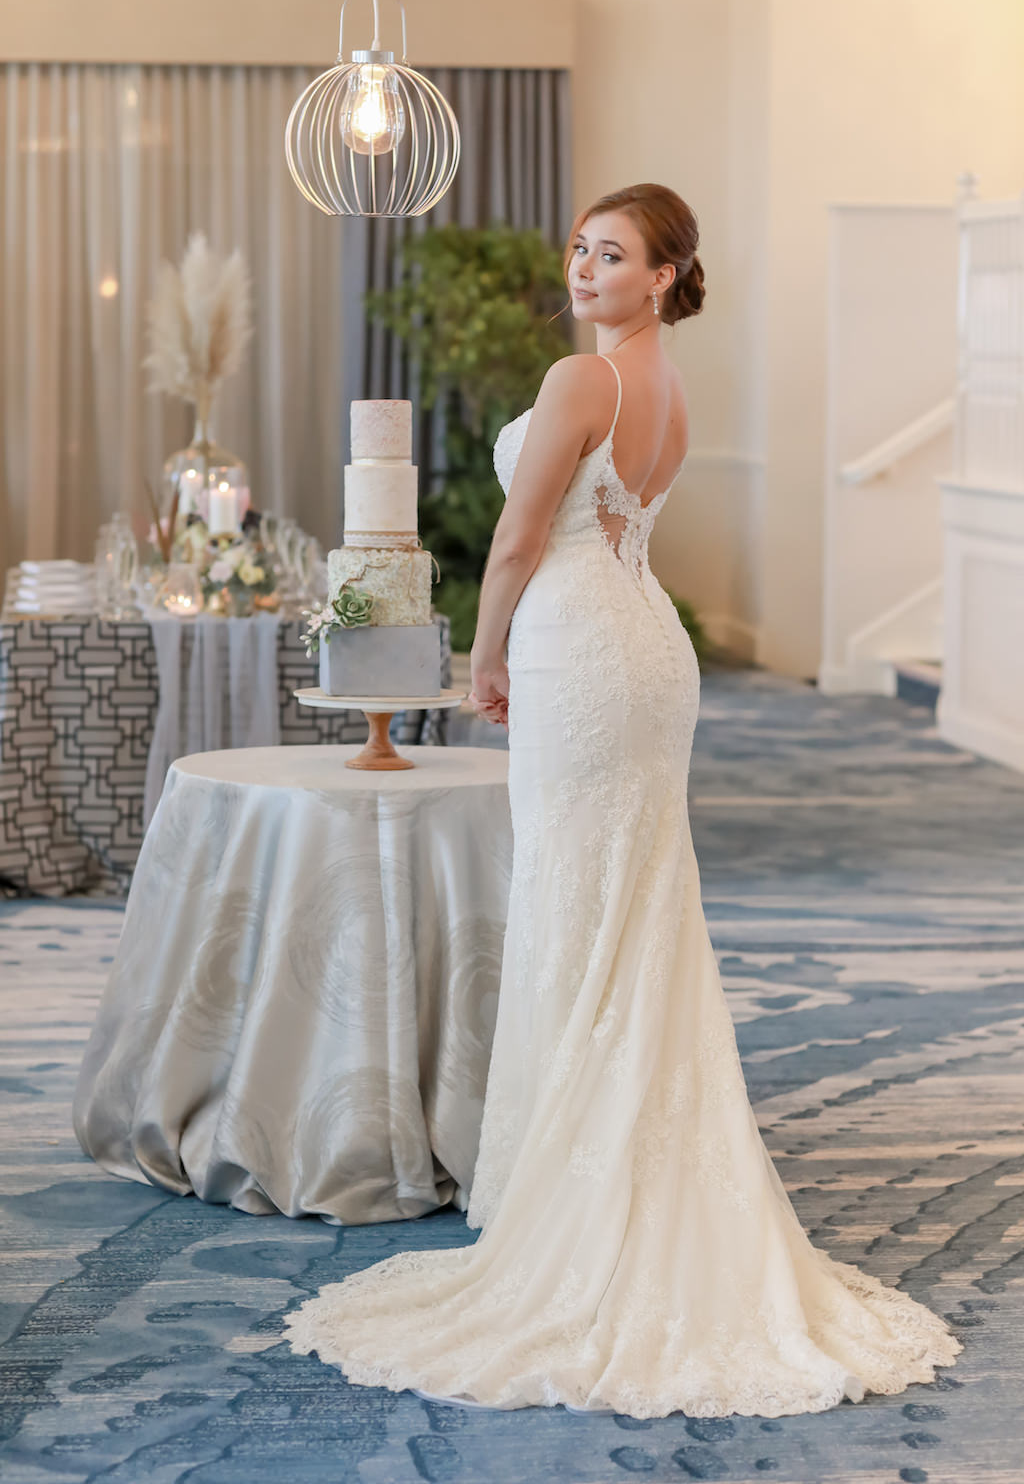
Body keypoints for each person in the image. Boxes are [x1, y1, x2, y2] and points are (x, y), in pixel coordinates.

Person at [282, 183, 963, 1418]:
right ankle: (627, 1171)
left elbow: (518, 537)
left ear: (663, 277)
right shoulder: (666, 389)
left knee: (577, 902)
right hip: (647, 651)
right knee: (636, 906)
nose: (585, 267)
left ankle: (587, 1197)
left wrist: (478, 656)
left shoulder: (577, 382)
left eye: (613, 255)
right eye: (580, 250)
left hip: (579, 651)